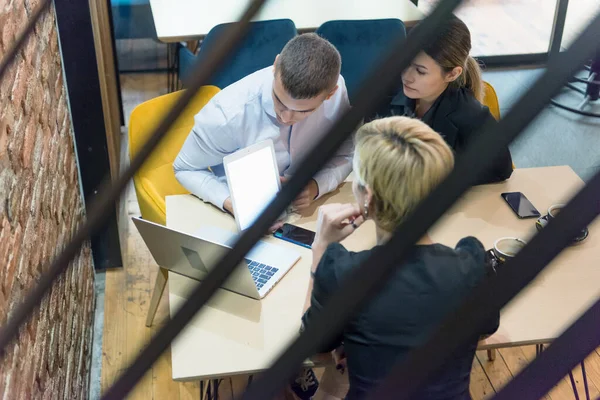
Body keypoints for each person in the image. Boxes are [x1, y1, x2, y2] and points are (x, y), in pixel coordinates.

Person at [302, 116, 500, 400]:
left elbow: (315, 346)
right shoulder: (472, 264)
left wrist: (320, 248)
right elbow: (486, 328)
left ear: (367, 196)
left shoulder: (343, 272)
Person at [173, 33, 354, 225]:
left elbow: (346, 155)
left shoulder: (337, 92)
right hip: (235, 213)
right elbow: (184, 169)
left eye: (304, 111)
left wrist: (316, 186)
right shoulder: (227, 114)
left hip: (306, 214)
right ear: (275, 66)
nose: (285, 118)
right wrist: (232, 204)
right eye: (279, 101)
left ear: (330, 93)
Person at [369, 15, 513, 185]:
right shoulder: (384, 92)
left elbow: (501, 168)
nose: (406, 76)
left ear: (452, 74)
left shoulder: (470, 114)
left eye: (420, 71)